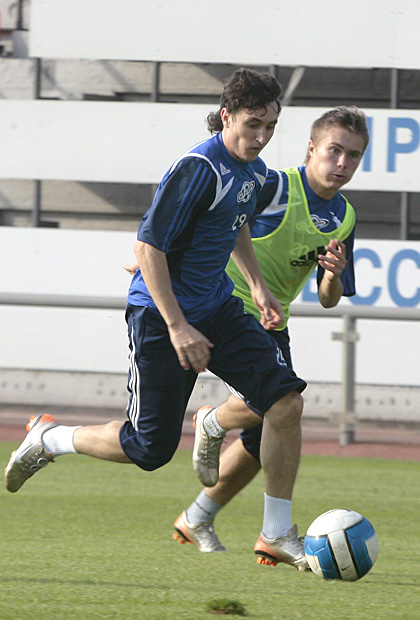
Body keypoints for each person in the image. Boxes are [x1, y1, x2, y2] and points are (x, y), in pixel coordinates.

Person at [4, 68, 309, 570]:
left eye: (271, 126)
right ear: (227, 116)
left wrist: (257, 286)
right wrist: (178, 326)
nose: (261, 137)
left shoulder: (254, 172)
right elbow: (148, 247)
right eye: (253, 124)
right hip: (161, 316)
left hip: (218, 307)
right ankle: (50, 438)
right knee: (148, 449)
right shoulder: (198, 168)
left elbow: (234, 225)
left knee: (285, 400)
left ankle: (276, 532)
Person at [170, 106, 369, 562]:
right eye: (335, 150)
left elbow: (329, 298)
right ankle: (215, 424)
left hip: (273, 318)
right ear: (312, 149)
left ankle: (197, 517)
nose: (342, 163)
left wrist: (333, 274)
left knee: (265, 438)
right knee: (282, 403)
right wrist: (158, 256)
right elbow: (210, 217)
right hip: (227, 303)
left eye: (354, 156)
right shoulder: (274, 186)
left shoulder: (344, 216)